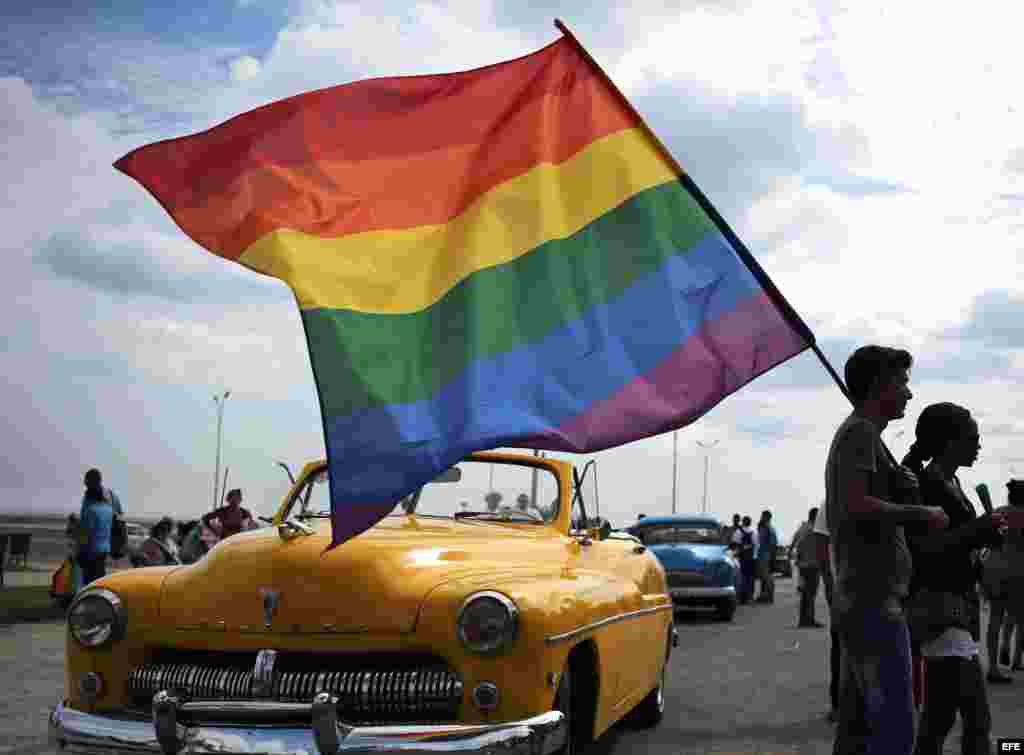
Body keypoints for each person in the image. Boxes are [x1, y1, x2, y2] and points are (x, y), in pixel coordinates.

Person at [826, 345, 949, 755]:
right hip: (873, 598)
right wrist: (921, 512)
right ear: (879, 385)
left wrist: (900, 488)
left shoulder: (865, 435)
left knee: (858, 730)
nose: (908, 394)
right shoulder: (860, 432)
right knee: (895, 728)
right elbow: (855, 504)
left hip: (867, 596)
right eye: (902, 383)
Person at [900, 402, 1010, 755]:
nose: (979, 445)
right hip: (938, 608)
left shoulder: (952, 481)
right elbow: (925, 549)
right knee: (976, 717)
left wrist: (984, 537)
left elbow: (958, 542)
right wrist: (978, 529)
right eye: (972, 438)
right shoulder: (926, 485)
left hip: (957, 605)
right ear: (949, 442)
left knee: (940, 716)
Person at [983, 479, 1024, 680]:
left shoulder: (998, 512)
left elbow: (984, 538)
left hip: (995, 571)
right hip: (1018, 573)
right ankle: (1016, 659)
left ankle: (993, 667)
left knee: (995, 619)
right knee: (1020, 619)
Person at [809, 504, 841, 721]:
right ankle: (838, 704)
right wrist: (830, 586)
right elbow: (821, 548)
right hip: (842, 589)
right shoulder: (829, 504)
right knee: (840, 647)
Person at [78, 468, 116, 585]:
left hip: (91, 549)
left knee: (89, 581)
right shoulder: (108, 509)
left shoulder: (91, 510)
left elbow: (86, 533)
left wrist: (80, 552)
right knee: (99, 578)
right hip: (104, 548)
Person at [792, 507, 824, 627]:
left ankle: (804, 619)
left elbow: (795, 544)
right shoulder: (814, 530)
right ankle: (808, 620)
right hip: (812, 565)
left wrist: (797, 560)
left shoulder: (803, 528)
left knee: (806, 594)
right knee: (810, 594)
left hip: (803, 565)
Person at [755, 510, 779, 603]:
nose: (761, 517)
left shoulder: (766, 527)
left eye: (762, 516)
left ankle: (768, 596)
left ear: (766, 517)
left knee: (766, 576)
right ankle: (764, 595)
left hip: (764, 554)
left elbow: (762, 541)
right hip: (767, 554)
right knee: (766, 576)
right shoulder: (770, 528)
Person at [736, 515, 757, 604]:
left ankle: (741, 597)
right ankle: (749, 597)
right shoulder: (754, 532)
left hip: (741, 558)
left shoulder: (738, 532)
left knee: (741, 577)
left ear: (743, 522)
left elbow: (735, 544)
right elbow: (756, 545)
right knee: (750, 578)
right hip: (751, 558)